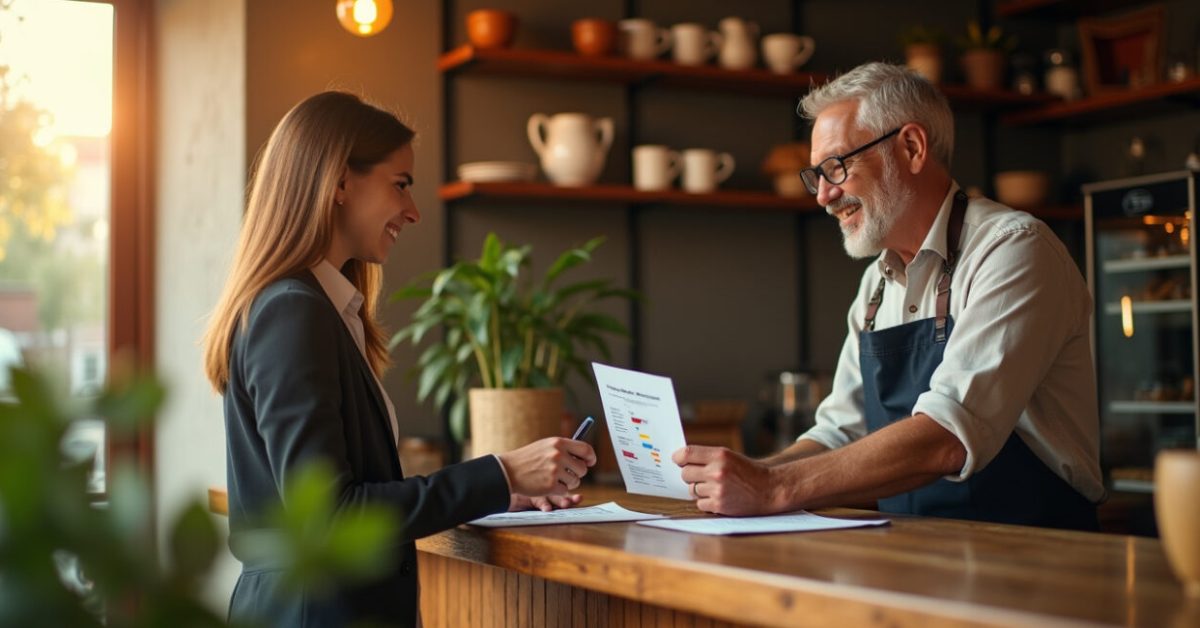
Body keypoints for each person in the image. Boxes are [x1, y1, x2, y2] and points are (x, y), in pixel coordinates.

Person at [201, 91, 597, 627]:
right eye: (401, 184)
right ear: (340, 182)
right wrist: (501, 472)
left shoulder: (318, 308)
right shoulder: (292, 312)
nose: (413, 211)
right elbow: (331, 518)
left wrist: (500, 491)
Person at [673, 62, 1103, 531]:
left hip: (1031, 553)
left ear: (912, 147)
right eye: (816, 175)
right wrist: (746, 477)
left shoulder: (1013, 250)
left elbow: (948, 435)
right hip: (914, 550)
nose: (823, 196)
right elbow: (840, 433)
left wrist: (774, 487)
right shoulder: (876, 283)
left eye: (836, 167)